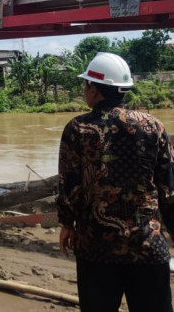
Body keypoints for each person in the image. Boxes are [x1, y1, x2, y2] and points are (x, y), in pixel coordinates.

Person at [57, 52, 174, 312]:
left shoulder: (78, 129)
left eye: (85, 84)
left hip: (95, 248)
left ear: (94, 89)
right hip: (147, 246)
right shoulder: (153, 126)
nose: (84, 89)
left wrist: (66, 223)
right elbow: (168, 189)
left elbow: (69, 186)